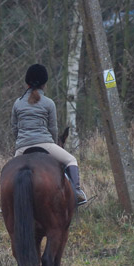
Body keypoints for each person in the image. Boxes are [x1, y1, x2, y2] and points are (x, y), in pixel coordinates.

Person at [11, 64, 87, 205]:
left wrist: (21, 142)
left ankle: (7, 203)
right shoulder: (49, 103)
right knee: (71, 160)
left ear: (26, 83)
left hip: (22, 146)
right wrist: (53, 142)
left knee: (9, 173)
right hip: (45, 144)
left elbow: (14, 128)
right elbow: (53, 129)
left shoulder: (17, 103)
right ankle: (76, 192)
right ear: (44, 84)